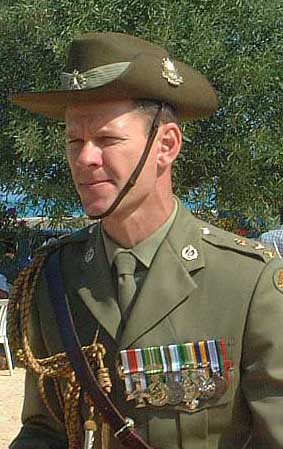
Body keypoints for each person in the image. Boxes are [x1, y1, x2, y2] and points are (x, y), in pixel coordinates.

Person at [8, 32, 283, 449]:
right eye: (74, 141)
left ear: (166, 145)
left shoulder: (249, 284)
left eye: (107, 140)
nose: (85, 159)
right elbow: (44, 428)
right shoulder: (54, 280)